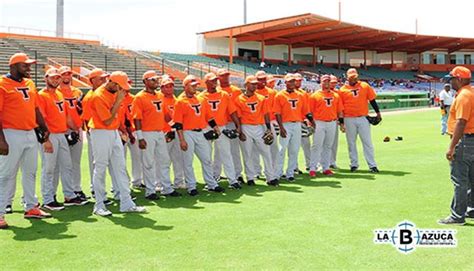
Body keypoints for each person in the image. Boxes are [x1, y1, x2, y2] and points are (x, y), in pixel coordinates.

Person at [0, 53, 52, 229]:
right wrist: (1, 139)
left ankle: (31, 207)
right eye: (25, 65)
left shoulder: (29, 83)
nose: (29, 68)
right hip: (10, 132)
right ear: (13, 66)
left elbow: (35, 107)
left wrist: (44, 126)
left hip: (29, 132)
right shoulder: (2, 84)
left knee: (30, 172)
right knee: (6, 174)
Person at [88, 71, 146, 216]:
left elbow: (116, 118)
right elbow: (106, 120)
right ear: (113, 83)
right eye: (121, 87)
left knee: (120, 166)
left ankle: (126, 202)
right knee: (100, 167)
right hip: (100, 131)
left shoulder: (114, 93)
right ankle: (99, 205)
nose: (123, 91)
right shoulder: (98, 95)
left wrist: (122, 130)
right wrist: (119, 101)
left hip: (113, 132)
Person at [38, 68, 87, 211]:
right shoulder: (42, 95)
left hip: (62, 134)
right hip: (50, 135)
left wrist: (76, 128)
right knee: (49, 168)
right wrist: (45, 139)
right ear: (46, 78)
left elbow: (66, 116)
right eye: (53, 77)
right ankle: (48, 199)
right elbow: (41, 119)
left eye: (57, 77)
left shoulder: (59, 93)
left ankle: (69, 195)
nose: (56, 79)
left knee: (67, 166)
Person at [132, 70, 181, 199]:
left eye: (156, 79)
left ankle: (166, 188)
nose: (156, 81)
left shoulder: (159, 95)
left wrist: (172, 127)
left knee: (164, 160)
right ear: (145, 81)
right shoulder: (139, 97)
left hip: (160, 132)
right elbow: (137, 118)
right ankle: (150, 190)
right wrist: (140, 137)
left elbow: (166, 115)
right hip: (147, 132)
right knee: (148, 162)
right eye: (153, 79)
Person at [173, 75, 225, 196]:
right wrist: (181, 140)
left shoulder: (201, 99)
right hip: (187, 132)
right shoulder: (180, 101)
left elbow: (209, 116)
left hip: (200, 132)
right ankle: (191, 186)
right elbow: (178, 123)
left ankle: (211, 184)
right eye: (192, 85)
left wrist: (216, 127)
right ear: (185, 86)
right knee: (188, 161)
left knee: (206, 159)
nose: (195, 87)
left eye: (196, 85)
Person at [439, 66, 474, 225]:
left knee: (460, 180)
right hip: (471, 140)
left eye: (452, 78)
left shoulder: (463, 96)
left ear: (459, 79)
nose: (450, 81)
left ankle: (457, 215)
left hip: (465, 141)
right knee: (472, 179)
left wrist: (452, 146)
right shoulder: (471, 92)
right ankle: (471, 209)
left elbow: (461, 122)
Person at [199, 72, 243, 189]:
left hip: (222, 127)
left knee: (226, 154)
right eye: (212, 81)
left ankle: (232, 180)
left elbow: (232, 111)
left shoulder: (224, 94)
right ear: (206, 82)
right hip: (207, 128)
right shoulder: (201, 97)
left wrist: (238, 126)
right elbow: (202, 115)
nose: (215, 82)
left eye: (215, 80)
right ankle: (211, 181)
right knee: (207, 156)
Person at [234, 75, 279, 186]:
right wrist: (240, 131)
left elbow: (266, 114)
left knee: (266, 152)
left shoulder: (261, 98)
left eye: (255, 84)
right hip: (245, 126)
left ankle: (270, 177)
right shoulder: (239, 99)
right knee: (247, 153)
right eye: (252, 84)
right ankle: (250, 177)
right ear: (246, 85)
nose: (254, 86)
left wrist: (268, 129)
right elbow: (238, 117)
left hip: (259, 126)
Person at [339, 68, 381, 173]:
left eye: (355, 77)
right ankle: (354, 164)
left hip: (363, 117)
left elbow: (372, 100)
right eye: (351, 77)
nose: (354, 79)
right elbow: (340, 108)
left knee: (367, 142)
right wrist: (341, 122)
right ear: (347, 77)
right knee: (351, 143)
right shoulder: (342, 90)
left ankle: (372, 165)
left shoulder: (365, 86)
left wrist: (378, 112)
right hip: (349, 118)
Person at [58, 66, 87, 200]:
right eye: (64, 74)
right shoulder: (56, 92)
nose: (67, 77)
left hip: (77, 129)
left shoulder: (77, 91)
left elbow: (80, 110)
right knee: (63, 163)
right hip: (62, 129)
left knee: (75, 161)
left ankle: (77, 188)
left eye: (69, 74)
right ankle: (66, 191)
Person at [273, 73, 309, 182]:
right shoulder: (279, 95)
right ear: (285, 82)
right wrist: (281, 127)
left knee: (294, 149)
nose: (292, 83)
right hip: (285, 124)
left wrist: (309, 121)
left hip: (297, 123)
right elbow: (277, 113)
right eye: (290, 81)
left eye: (293, 81)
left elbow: (305, 111)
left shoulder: (300, 95)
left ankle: (290, 173)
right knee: (281, 149)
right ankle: (278, 173)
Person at [308, 75, 344, 177]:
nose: (327, 83)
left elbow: (340, 111)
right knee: (316, 146)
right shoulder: (315, 95)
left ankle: (326, 167)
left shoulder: (336, 95)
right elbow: (309, 111)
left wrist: (341, 123)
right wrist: (311, 122)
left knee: (328, 146)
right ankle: (312, 168)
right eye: (325, 81)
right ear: (321, 83)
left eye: (328, 81)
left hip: (332, 122)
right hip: (319, 122)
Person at [216, 69, 244, 184]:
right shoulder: (216, 90)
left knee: (234, 150)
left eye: (227, 75)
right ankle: (216, 174)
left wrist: (239, 126)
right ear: (218, 78)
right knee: (218, 151)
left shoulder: (236, 91)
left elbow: (239, 109)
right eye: (223, 76)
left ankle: (238, 174)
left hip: (232, 122)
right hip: (220, 123)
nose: (225, 78)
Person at [160, 75, 186, 189]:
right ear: (161, 88)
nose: (169, 88)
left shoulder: (176, 100)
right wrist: (172, 128)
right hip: (165, 133)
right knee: (163, 160)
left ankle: (179, 181)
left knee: (178, 159)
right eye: (166, 86)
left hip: (176, 132)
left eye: (171, 86)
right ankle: (160, 182)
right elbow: (165, 117)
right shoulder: (159, 100)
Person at [253, 71, 278, 178]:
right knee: (255, 149)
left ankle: (272, 170)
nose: (262, 81)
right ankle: (256, 171)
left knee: (273, 147)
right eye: (259, 79)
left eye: (263, 79)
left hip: (269, 122)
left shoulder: (272, 92)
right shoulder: (252, 92)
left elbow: (275, 109)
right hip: (257, 123)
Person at [329, 75, 340, 169]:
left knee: (334, 142)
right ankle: (322, 162)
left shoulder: (337, 93)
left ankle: (332, 161)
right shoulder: (321, 93)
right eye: (332, 82)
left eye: (335, 82)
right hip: (322, 120)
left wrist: (341, 120)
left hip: (334, 120)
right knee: (323, 143)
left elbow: (340, 108)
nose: (333, 84)